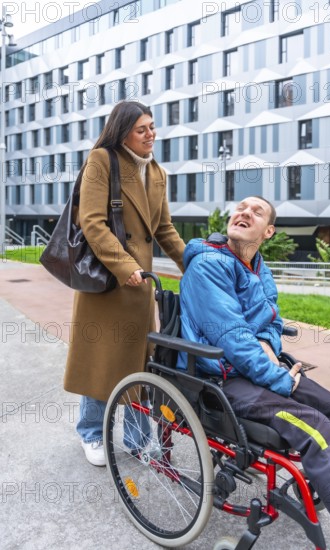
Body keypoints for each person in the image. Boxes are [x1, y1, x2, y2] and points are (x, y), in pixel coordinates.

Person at [178, 196, 330, 550]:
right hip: (224, 378)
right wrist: (279, 376)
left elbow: (271, 319)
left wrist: (268, 345)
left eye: (257, 211)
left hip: (258, 368)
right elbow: (232, 338)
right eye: (241, 207)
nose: (244, 212)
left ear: (268, 231)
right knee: (319, 430)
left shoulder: (257, 266)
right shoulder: (207, 265)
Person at [64, 100, 185, 467]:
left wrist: (192, 263)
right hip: (108, 282)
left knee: (139, 364)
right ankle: (91, 432)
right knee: (102, 362)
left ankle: (136, 438)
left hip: (139, 286)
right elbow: (92, 222)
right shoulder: (102, 160)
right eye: (142, 129)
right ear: (123, 132)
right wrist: (123, 265)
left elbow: (163, 229)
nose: (151, 134)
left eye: (152, 126)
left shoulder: (158, 173)